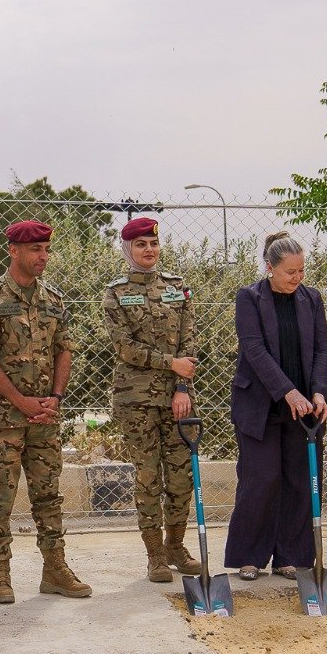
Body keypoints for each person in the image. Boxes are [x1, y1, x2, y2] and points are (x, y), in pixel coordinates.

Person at [0, 219, 91, 604]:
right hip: (4, 420)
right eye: (35, 250)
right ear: (14, 251)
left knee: (48, 495)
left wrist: (55, 397)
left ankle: (55, 570)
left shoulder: (53, 299)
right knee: (0, 499)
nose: (43, 257)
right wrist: (21, 401)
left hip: (45, 419)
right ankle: (0, 574)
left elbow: (65, 349)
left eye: (46, 250)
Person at [224, 232, 327, 581]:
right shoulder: (250, 298)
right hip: (260, 406)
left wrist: (317, 392)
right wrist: (288, 391)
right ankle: (250, 556)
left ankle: (291, 556)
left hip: (304, 410)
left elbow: (321, 350)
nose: (297, 278)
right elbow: (254, 350)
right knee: (261, 479)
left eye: (301, 270)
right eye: (290, 272)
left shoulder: (311, 299)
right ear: (269, 268)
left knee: (299, 481)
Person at [102, 217, 200, 583]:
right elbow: (125, 347)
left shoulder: (179, 288)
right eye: (140, 244)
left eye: (153, 244)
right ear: (127, 249)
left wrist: (182, 386)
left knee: (180, 477)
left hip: (178, 399)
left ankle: (176, 546)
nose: (148, 250)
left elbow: (189, 341)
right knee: (147, 478)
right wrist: (168, 363)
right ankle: (155, 554)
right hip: (137, 400)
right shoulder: (116, 292)